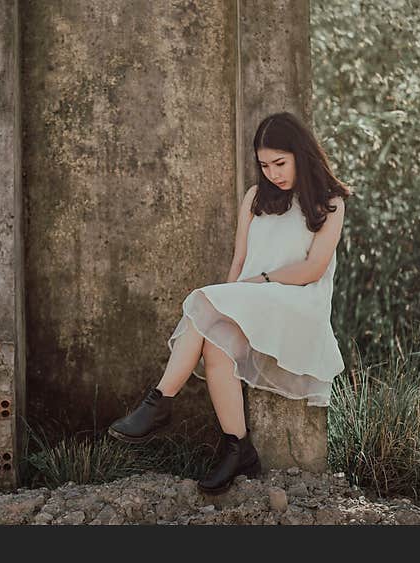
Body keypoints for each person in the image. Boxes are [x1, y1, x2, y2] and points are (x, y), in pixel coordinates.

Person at [108, 111, 350, 495]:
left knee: (201, 301)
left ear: (301, 155)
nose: (273, 173)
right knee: (214, 342)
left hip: (298, 303)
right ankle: (238, 449)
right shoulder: (256, 198)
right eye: (265, 165)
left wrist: (258, 284)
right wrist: (231, 300)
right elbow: (239, 261)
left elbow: (312, 268)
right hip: (255, 298)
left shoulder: (330, 203)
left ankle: (160, 402)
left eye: (280, 163)